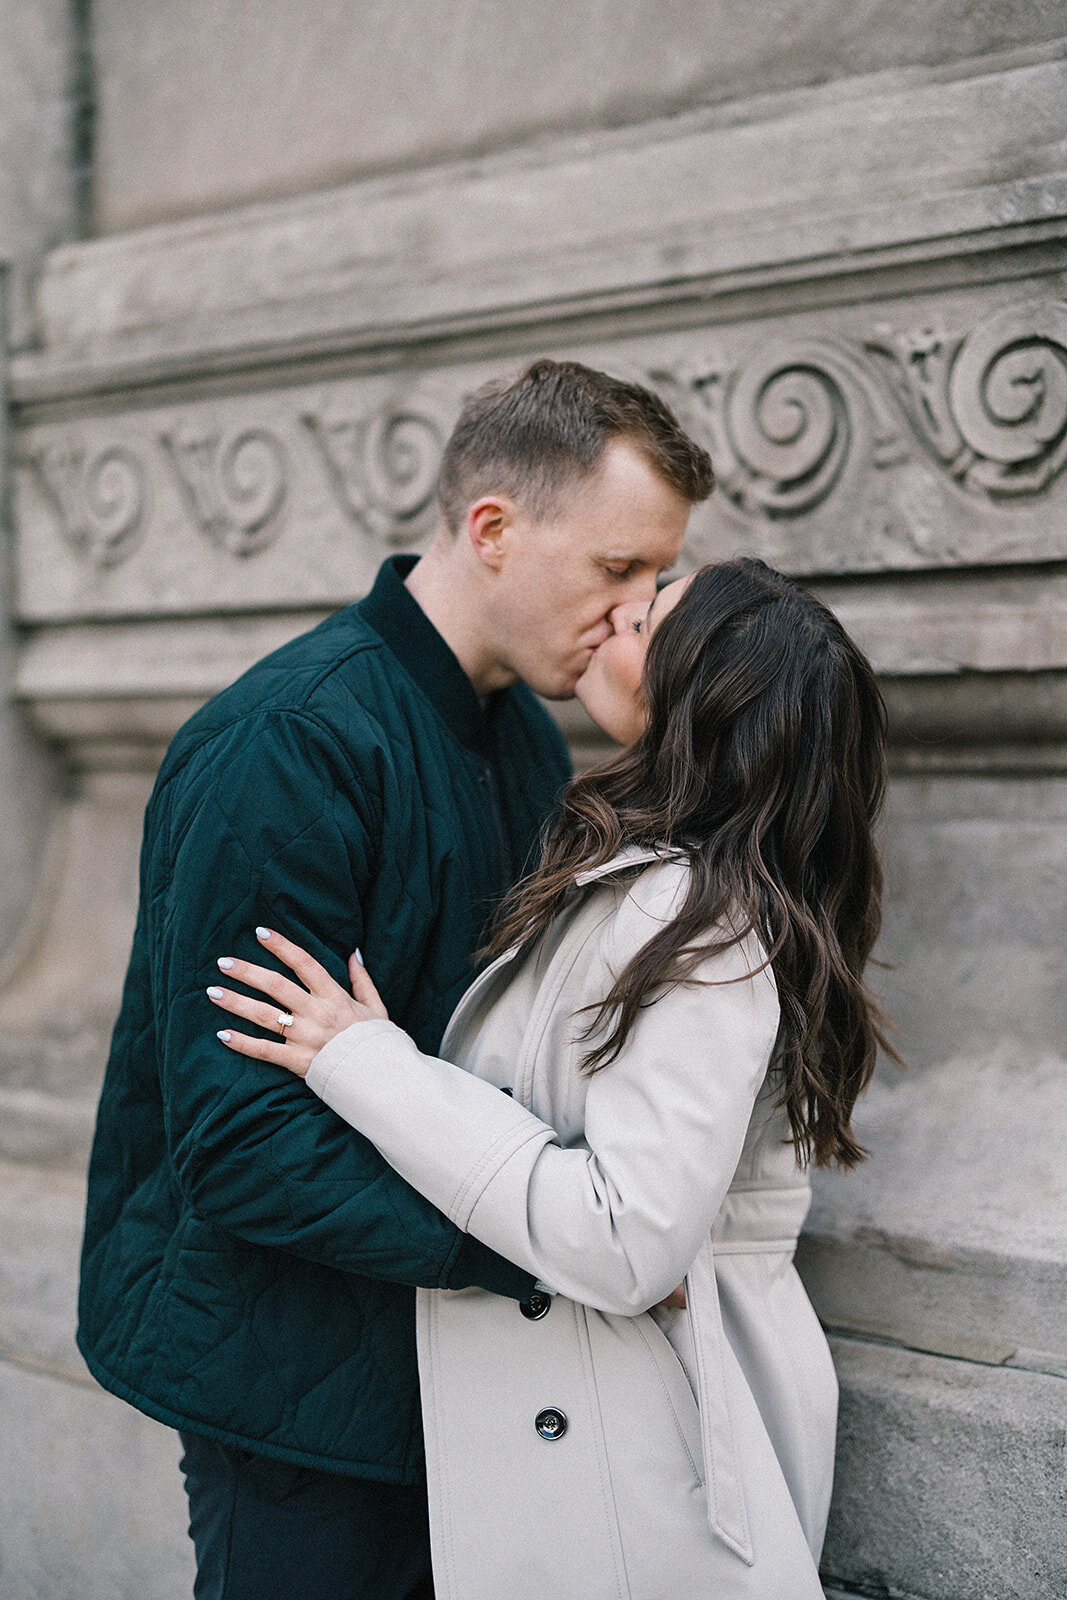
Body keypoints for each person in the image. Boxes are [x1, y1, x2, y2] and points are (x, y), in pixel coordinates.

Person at [77, 359, 713, 1600]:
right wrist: (547, 1250)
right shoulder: (290, 742)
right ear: (492, 529)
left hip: (438, 1367)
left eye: (655, 574)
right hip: (283, 1380)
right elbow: (242, 1138)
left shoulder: (523, 736)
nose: (637, 608)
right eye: (616, 568)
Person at [208, 557, 896, 1600]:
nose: (614, 611)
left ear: (695, 697)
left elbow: (625, 1241)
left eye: (645, 612)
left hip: (629, 1460)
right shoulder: (660, 884)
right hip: (591, 1424)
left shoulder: (699, 925)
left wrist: (361, 1061)